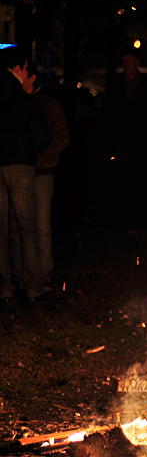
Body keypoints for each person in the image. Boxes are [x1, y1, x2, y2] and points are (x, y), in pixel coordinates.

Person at [8, 58, 69, 287]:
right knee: (17, 227)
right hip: (19, 173)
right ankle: (21, 274)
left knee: (41, 226)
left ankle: (42, 273)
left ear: (31, 77)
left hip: (41, 173)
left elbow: (61, 138)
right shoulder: (13, 103)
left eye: (20, 71)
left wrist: (38, 155)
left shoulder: (48, 105)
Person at [0, 46, 51, 301]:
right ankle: (33, 288)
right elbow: (42, 139)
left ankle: (5, 288)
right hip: (20, 169)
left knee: (2, 232)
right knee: (28, 231)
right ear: (18, 69)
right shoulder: (26, 102)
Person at [101, 46, 147, 227]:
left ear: (138, 62)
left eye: (131, 60)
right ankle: (124, 218)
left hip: (143, 141)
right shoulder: (116, 85)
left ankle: (142, 217)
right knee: (123, 179)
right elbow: (108, 113)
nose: (127, 64)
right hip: (122, 141)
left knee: (142, 179)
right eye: (125, 60)